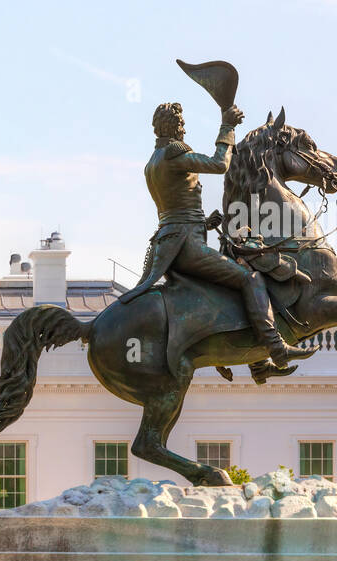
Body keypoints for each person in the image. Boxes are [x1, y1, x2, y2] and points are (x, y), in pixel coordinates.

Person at [120, 101, 317, 370]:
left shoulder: (152, 162)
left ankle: (257, 364)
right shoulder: (173, 155)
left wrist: (204, 221)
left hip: (171, 240)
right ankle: (276, 347)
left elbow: (175, 207)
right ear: (176, 126)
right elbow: (219, 163)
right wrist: (228, 126)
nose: (184, 128)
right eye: (182, 123)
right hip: (186, 245)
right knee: (250, 278)